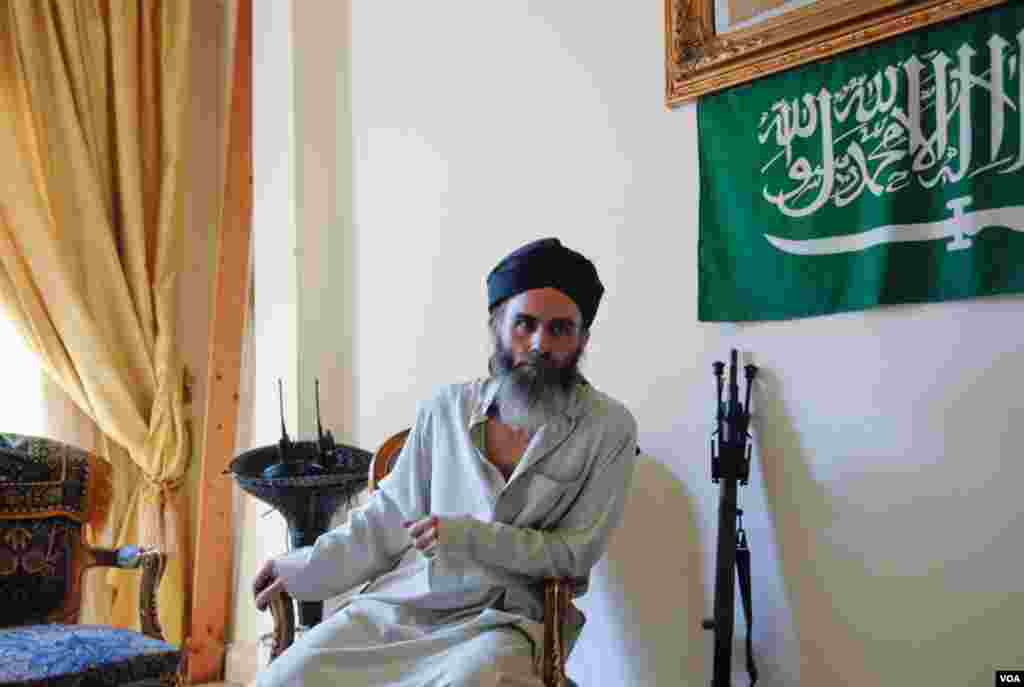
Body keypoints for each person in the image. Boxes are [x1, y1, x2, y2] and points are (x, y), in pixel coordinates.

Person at [253, 237, 638, 687]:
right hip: (404, 605)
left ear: (582, 339)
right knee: (287, 678)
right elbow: (385, 522)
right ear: (498, 325)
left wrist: (469, 536)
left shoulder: (608, 428)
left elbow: (573, 554)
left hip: (505, 622)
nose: (539, 343)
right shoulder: (447, 408)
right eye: (525, 324)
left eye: (559, 329)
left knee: (476, 678)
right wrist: (301, 567)